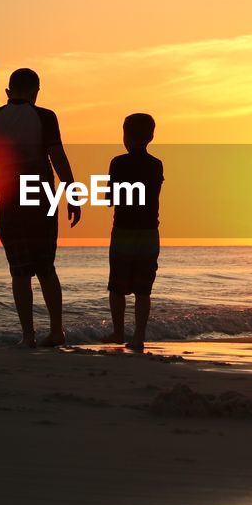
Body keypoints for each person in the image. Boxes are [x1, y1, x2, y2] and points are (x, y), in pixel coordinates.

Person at [0, 68, 81, 348]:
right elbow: (57, 157)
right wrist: (72, 193)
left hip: (8, 199)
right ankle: (56, 331)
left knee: (19, 271)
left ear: (7, 92)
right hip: (41, 196)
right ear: (36, 92)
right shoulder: (45, 116)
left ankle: (27, 335)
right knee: (46, 267)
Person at [103, 113, 164, 352]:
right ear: (151, 136)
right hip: (149, 231)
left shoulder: (118, 162)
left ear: (126, 136)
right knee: (143, 288)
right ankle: (138, 336)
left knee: (117, 285)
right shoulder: (156, 164)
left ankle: (118, 331)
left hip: (124, 230)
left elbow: (112, 198)